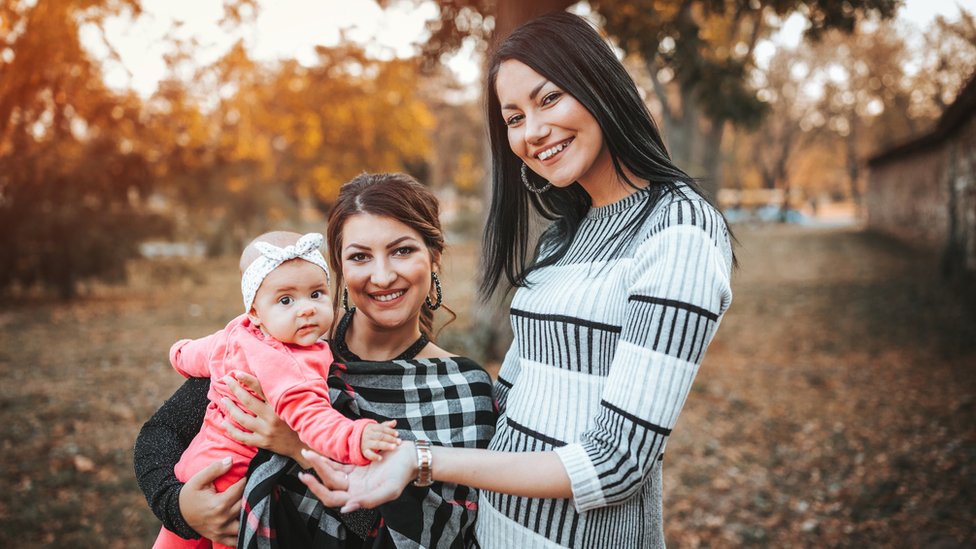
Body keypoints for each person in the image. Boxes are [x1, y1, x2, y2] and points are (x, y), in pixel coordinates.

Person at [297, 11, 735, 548]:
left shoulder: (678, 232)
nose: (533, 132)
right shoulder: (565, 235)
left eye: (549, 99)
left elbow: (618, 463)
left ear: (599, 86)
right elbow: (511, 403)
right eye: (513, 117)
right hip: (495, 533)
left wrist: (424, 461)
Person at [134, 173, 496, 548]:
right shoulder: (280, 345)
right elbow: (160, 434)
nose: (383, 275)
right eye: (359, 256)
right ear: (339, 269)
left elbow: (437, 536)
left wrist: (297, 447)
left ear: (434, 257)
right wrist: (180, 508)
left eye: (402, 250)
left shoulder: (462, 388)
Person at [153, 230, 401, 549]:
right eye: (286, 300)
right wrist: (357, 436)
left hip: (194, 466)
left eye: (316, 294)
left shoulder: (236, 333)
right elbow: (313, 419)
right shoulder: (292, 366)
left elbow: (195, 355)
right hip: (230, 482)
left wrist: (178, 353)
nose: (307, 309)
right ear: (255, 311)